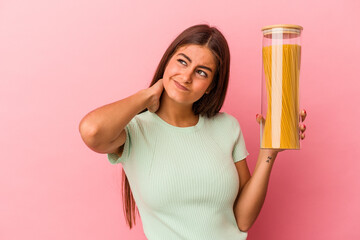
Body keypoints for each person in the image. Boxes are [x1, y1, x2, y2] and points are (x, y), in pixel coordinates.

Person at [79, 24, 307, 240]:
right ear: (167, 61)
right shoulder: (134, 130)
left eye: (201, 73)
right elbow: (92, 131)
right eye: (181, 62)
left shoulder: (226, 127)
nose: (186, 76)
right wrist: (146, 96)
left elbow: (243, 220)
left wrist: (269, 151)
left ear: (211, 87)